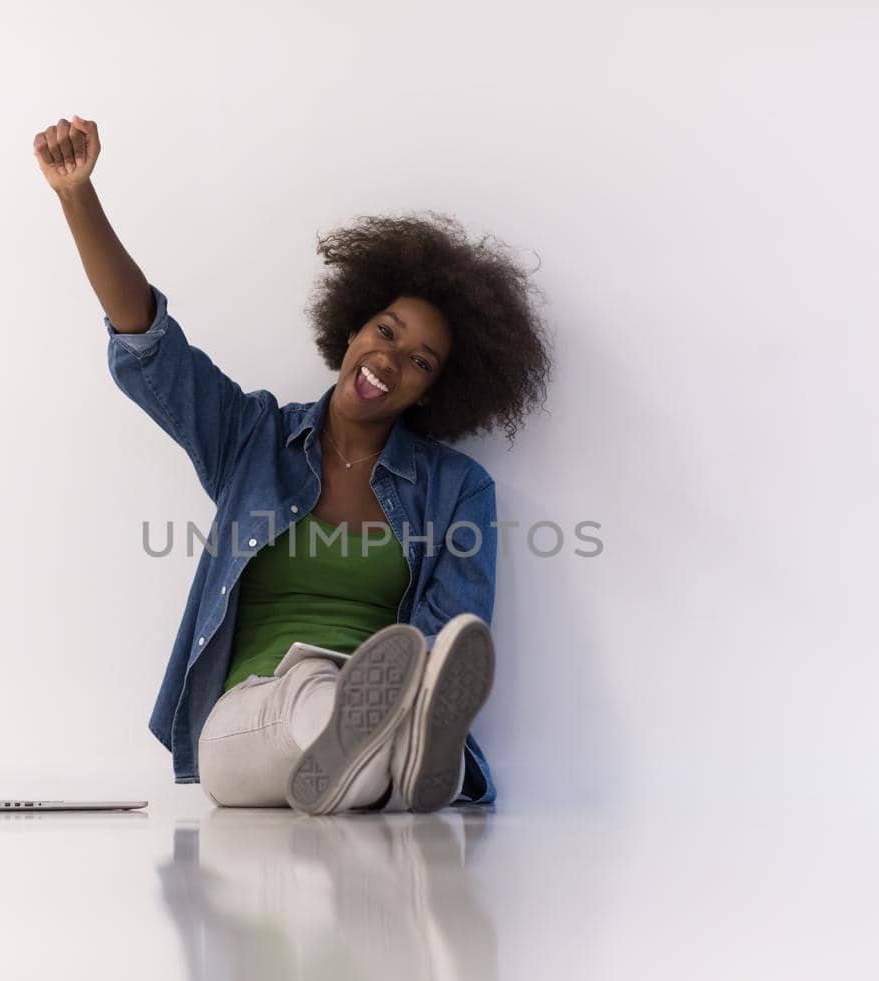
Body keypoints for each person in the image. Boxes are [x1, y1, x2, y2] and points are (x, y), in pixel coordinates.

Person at [34, 114, 553, 814]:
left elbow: (450, 627)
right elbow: (149, 344)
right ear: (353, 327)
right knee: (318, 701)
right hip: (253, 718)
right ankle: (407, 755)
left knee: (372, 715)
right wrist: (77, 196)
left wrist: (411, 682)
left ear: (436, 390)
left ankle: (389, 751)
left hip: (379, 701)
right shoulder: (250, 438)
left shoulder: (457, 488)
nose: (388, 361)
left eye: (418, 362)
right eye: (385, 333)